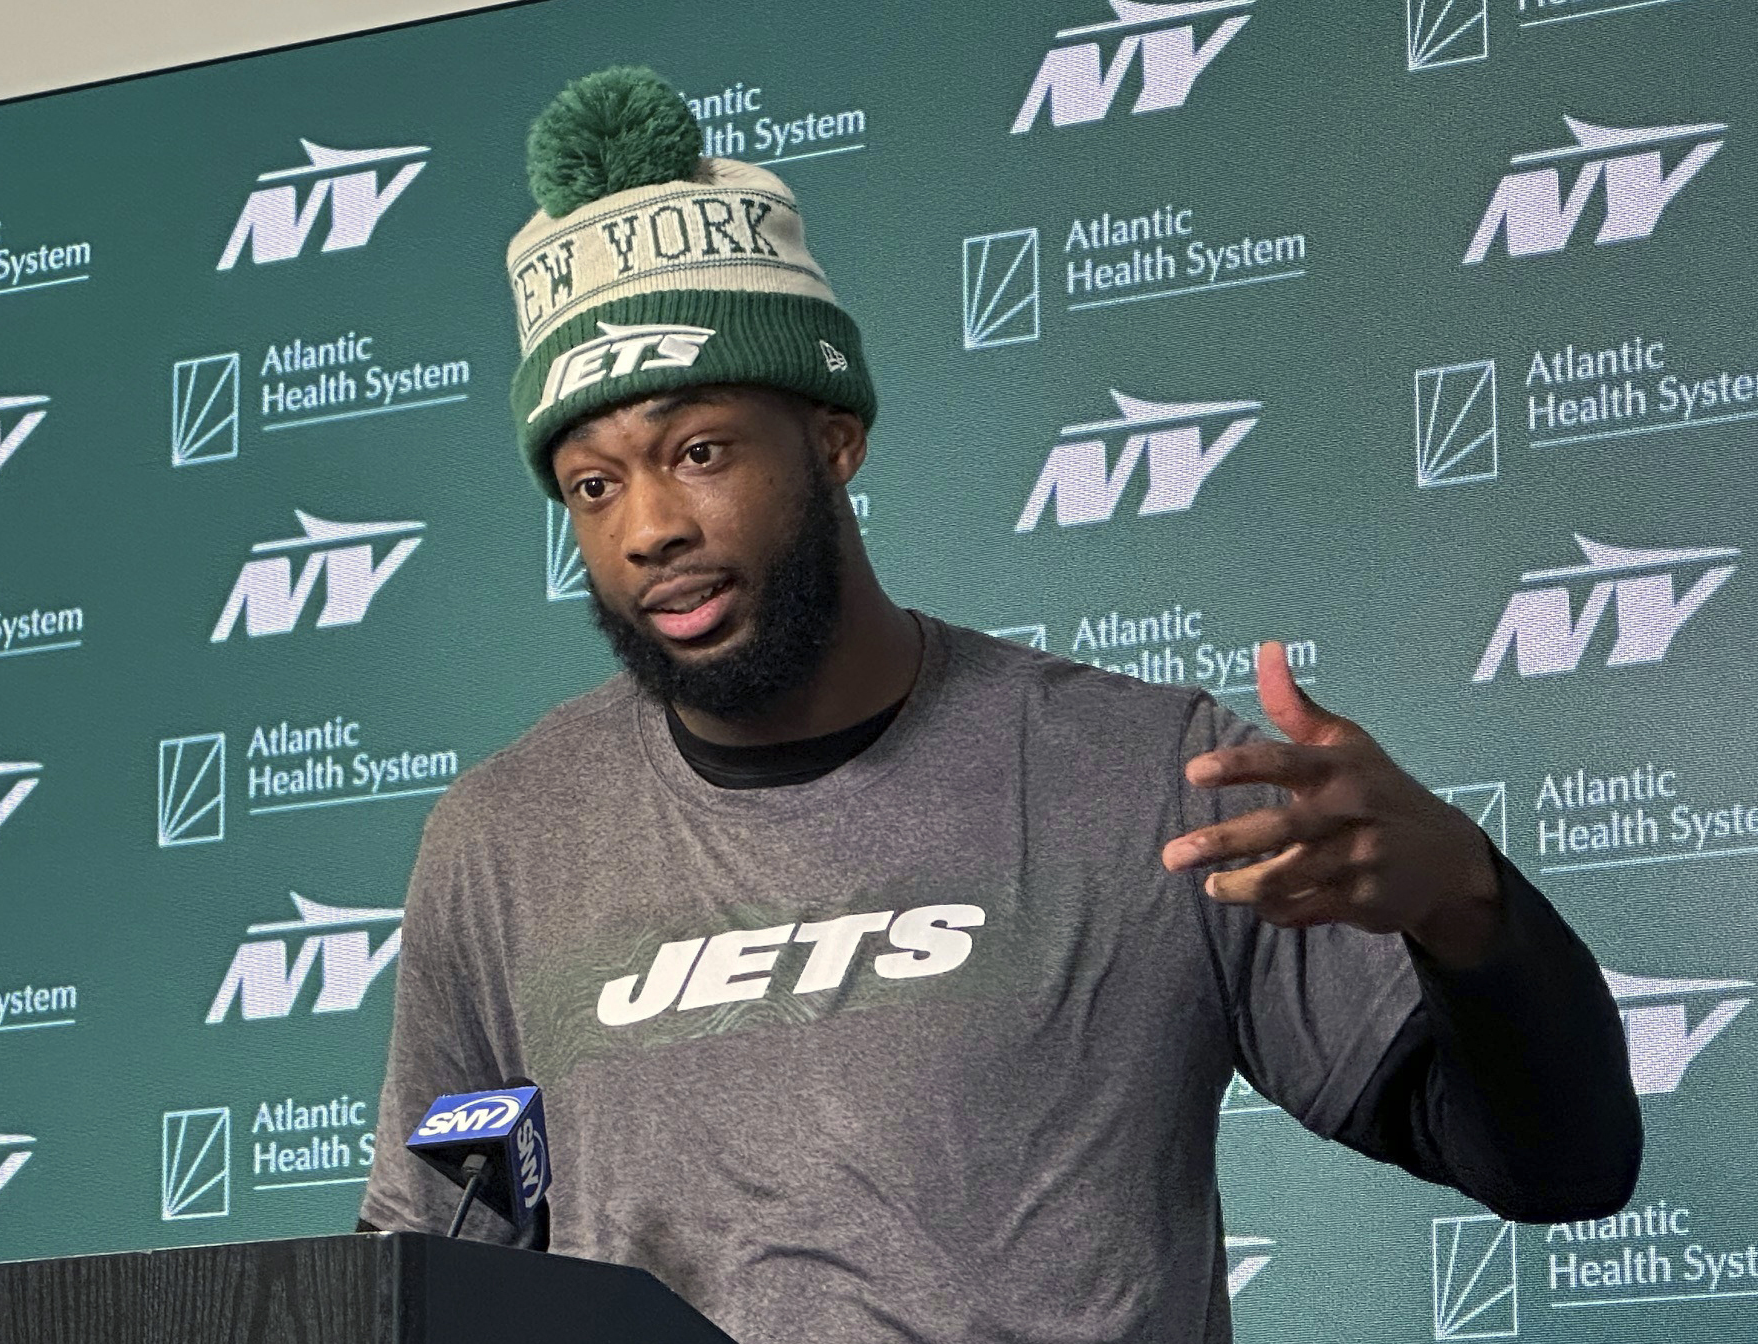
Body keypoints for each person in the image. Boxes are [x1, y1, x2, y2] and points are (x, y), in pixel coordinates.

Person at [359, 67, 1640, 1343]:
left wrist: (1471, 906)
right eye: (592, 485)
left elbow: (1563, 1168)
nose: (646, 528)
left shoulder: (1150, 781)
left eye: (700, 452)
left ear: (832, 437)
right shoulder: (505, 840)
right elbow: (426, 1266)